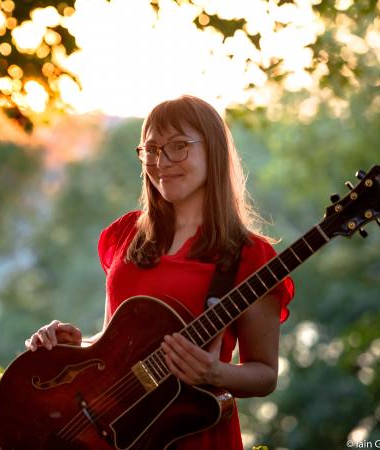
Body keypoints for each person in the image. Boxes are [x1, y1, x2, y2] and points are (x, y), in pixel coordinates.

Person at [24, 95, 294, 449]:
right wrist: (75, 347)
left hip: (191, 435)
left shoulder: (249, 255)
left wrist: (214, 372)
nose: (161, 161)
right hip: (117, 434)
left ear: (212, 151)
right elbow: (115, 346)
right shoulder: (126, 235)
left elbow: (265, 374)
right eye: (151, 149)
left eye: (178, 146)